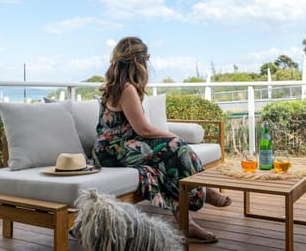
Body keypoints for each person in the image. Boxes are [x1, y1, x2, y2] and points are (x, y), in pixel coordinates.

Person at [93, 36, 231, 244]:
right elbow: (144, 129)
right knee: (176, 146)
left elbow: (136, 131)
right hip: (112, 151)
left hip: (115, 148)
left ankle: (187, 224)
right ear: (138, 61)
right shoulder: (127, 88)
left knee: (158, 170)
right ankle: (204, 190)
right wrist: (174, 136)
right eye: (145, 59)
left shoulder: (116, 85)